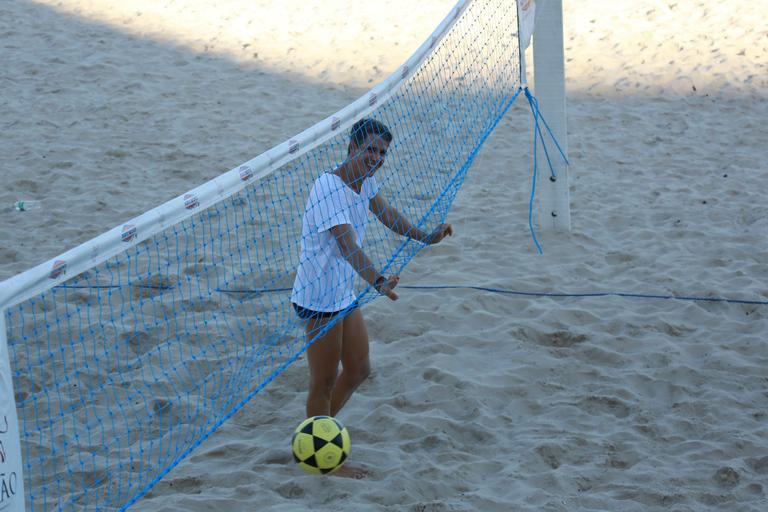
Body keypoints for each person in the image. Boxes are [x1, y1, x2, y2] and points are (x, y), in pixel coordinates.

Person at [290, 118, 453, 421]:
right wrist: (378, 281)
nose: (376, 158)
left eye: (382, 153)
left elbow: (387, 214)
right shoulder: (329, 188)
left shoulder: (365, 180)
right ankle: (317, 449)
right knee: (323, 382)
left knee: (358, 369)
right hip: (318, 298)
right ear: (352, 147)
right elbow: (347, 246)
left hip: (341, 292)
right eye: (370, 150)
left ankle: (317, 436)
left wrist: (426, 237)